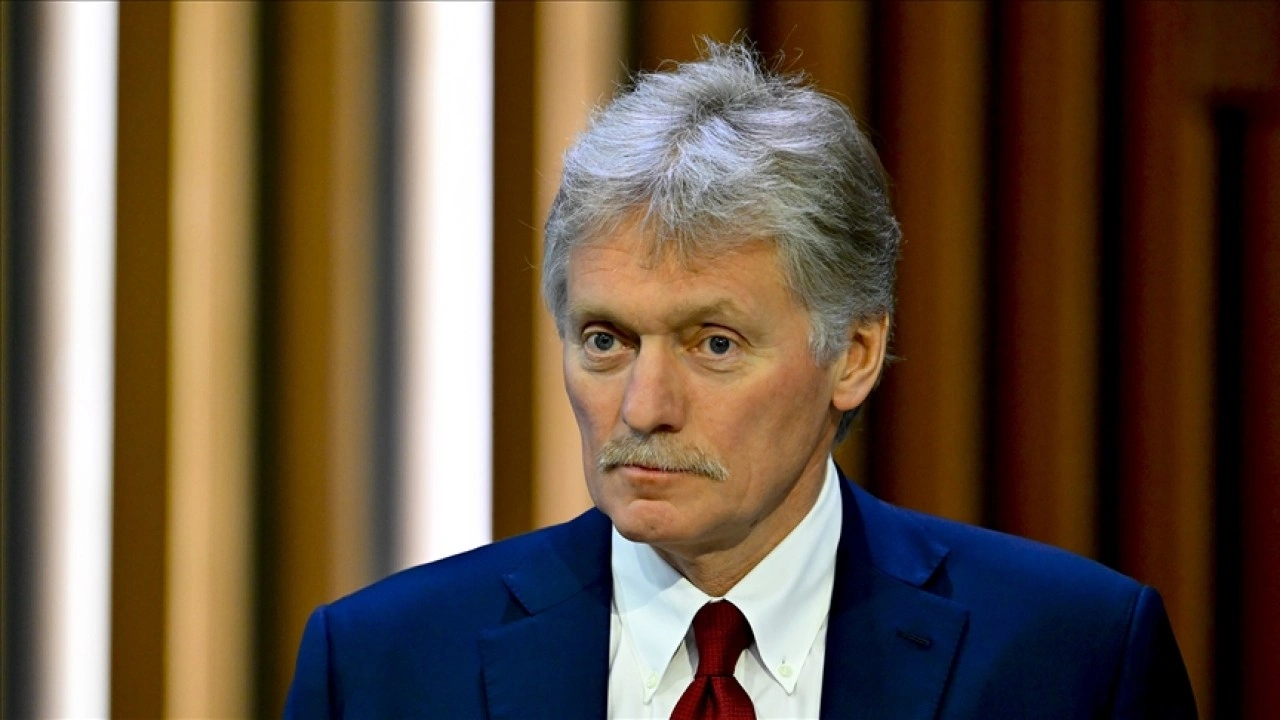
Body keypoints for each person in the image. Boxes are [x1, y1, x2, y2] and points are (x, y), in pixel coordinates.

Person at [285, 42, 1195, 719]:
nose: (644, 408)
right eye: (606, 340)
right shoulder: (380, 667)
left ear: (854, 355)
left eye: (713, 344)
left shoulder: (1072, 659)